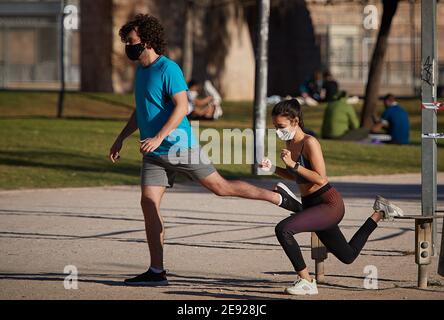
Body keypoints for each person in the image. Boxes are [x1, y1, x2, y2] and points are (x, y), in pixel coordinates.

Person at [109, 14, 301, 286]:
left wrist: (159, 136)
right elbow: (140, 111)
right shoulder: (141, 72)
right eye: (126, 42)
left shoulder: (168, 69)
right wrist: (121, 138)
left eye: (131, 41)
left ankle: (277, 196)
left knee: (220, 187)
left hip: (179, 147)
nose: (128, 46)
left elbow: (182, 107)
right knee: (148, 204)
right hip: (153, 154)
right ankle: (156, 271)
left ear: (148, 40)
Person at [259, 99, 404, 295]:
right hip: (311, 205)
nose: (277, 131)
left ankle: (307, 281)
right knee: (348, 256)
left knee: (283, 229)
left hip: (328, 204)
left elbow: (320, 178)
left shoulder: (310, 142)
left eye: (281, 126)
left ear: (295, 120)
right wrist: (274, 169)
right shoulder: (289, 142)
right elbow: (297, 177)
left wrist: (293, 164)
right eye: (275, 126)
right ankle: (379, 213)